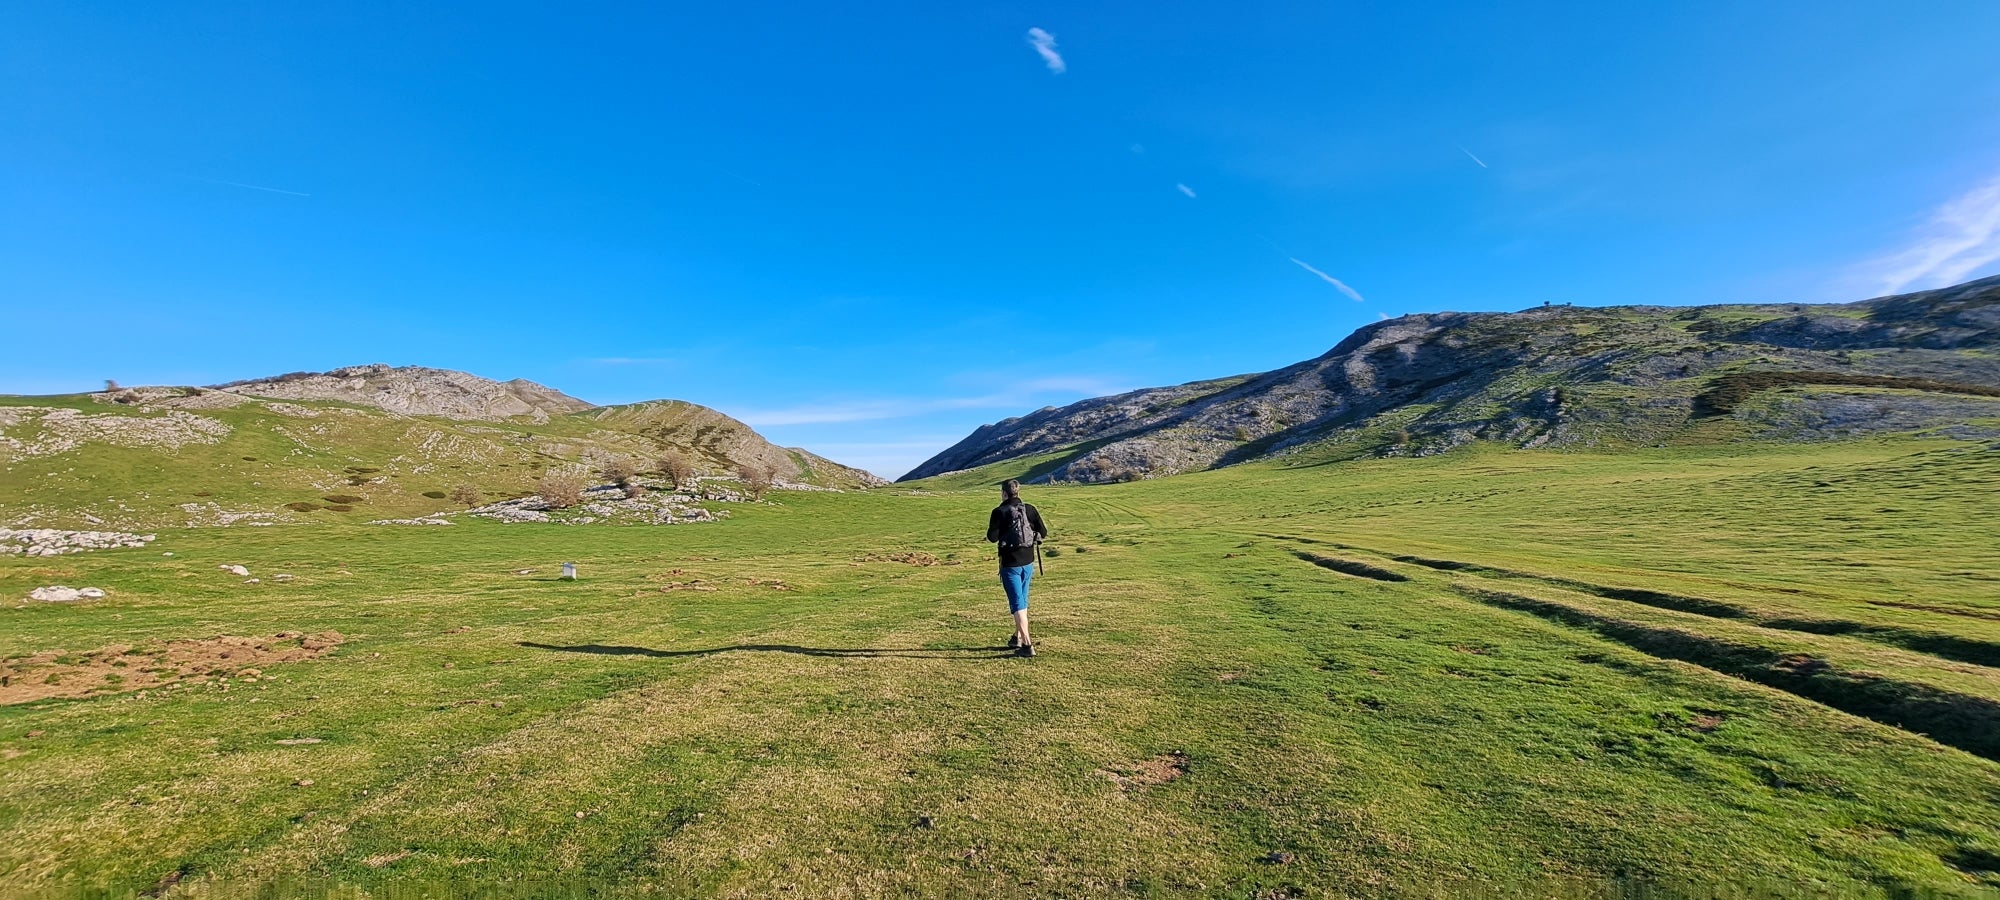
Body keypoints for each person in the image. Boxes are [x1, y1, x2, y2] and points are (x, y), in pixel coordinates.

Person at [986, 479, 1048, 657]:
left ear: (1004, 493)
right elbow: (1043, 532)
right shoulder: (1030, 509)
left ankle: (1027, 646)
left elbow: (992, 537)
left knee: (1017, 603)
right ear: (1018, 492)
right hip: (1028, 562)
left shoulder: (999, 512)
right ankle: (1017, 637)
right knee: (1022, 600)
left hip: (1010, 564)